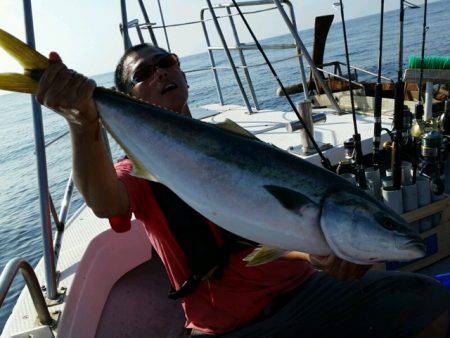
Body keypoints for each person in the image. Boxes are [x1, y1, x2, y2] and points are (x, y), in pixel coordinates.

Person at [36, 44, 450, 338]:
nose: (160, 71)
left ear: (182, 73)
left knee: (430, 302)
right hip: (229, 326)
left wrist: (329, 257)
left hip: (307, 293)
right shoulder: (138, 172)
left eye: (166, 62)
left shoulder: (238, 143)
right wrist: (82, 121)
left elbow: (274, 234)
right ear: (129, 97)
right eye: (143, 74)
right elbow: (104, 202)